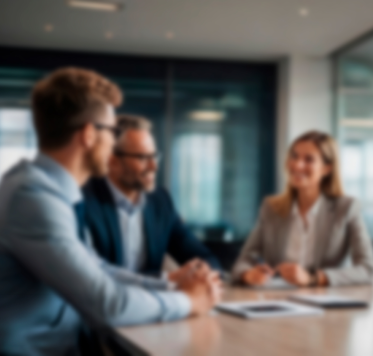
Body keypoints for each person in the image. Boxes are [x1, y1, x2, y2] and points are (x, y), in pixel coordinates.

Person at [0, 67, 221, 356]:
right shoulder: (33, 196)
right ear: (90, 134)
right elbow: (108, 305)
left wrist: (170, 285)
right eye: (113, 131)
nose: (113, 143)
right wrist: (189, 302)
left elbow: (98, 269)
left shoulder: (50, 190)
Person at [232, 131, 373, 287]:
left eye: (309, 159)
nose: (297, 165)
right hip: (276, 299)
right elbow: (244, 260)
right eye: (294, 156)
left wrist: (314, 278)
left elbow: (367, 269)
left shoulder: (346, 208)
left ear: (327, 168)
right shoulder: (271, 208)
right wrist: (248, 274)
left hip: (327, 303)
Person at [83, 114, 220, 276]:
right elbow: (93, 276)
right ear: (113, 161)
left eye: (154, 156)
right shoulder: (85, 200)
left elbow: (204, 257)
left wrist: (203, 273)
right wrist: (166, 279)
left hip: (154, 300)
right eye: (142, 158)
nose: (153, 166)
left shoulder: (160, 201)